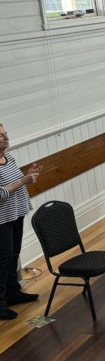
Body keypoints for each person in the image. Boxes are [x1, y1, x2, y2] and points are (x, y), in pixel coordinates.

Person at [0, 124, 40, 320]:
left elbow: (16, 184)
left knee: (14, 256)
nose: (6, 138)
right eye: (0, 136)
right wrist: (23, 181)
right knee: (3, 260)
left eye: (5, 134)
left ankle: (13, 293)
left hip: (16, 213)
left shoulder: (10, 158)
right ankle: (0, 304)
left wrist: (28, 177)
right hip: (1, 220)